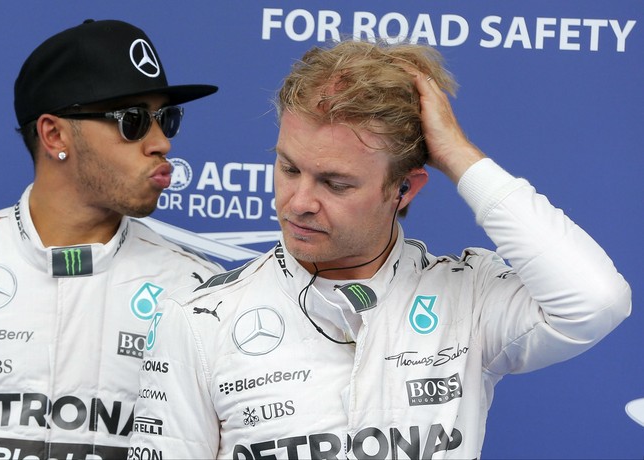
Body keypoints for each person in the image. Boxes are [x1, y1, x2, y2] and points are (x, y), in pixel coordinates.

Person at [129, 40, 632, 459]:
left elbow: (596, 300)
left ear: (405, 190)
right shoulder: (199, 319)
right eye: (288, 168)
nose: (299, 202)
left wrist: (458, 156)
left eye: (336, 183)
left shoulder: (469, 298)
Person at [0, 19, 223, 458]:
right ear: (54, 134)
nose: (161, 144)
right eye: (133, 121)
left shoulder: (198, 294)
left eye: (166, 119)